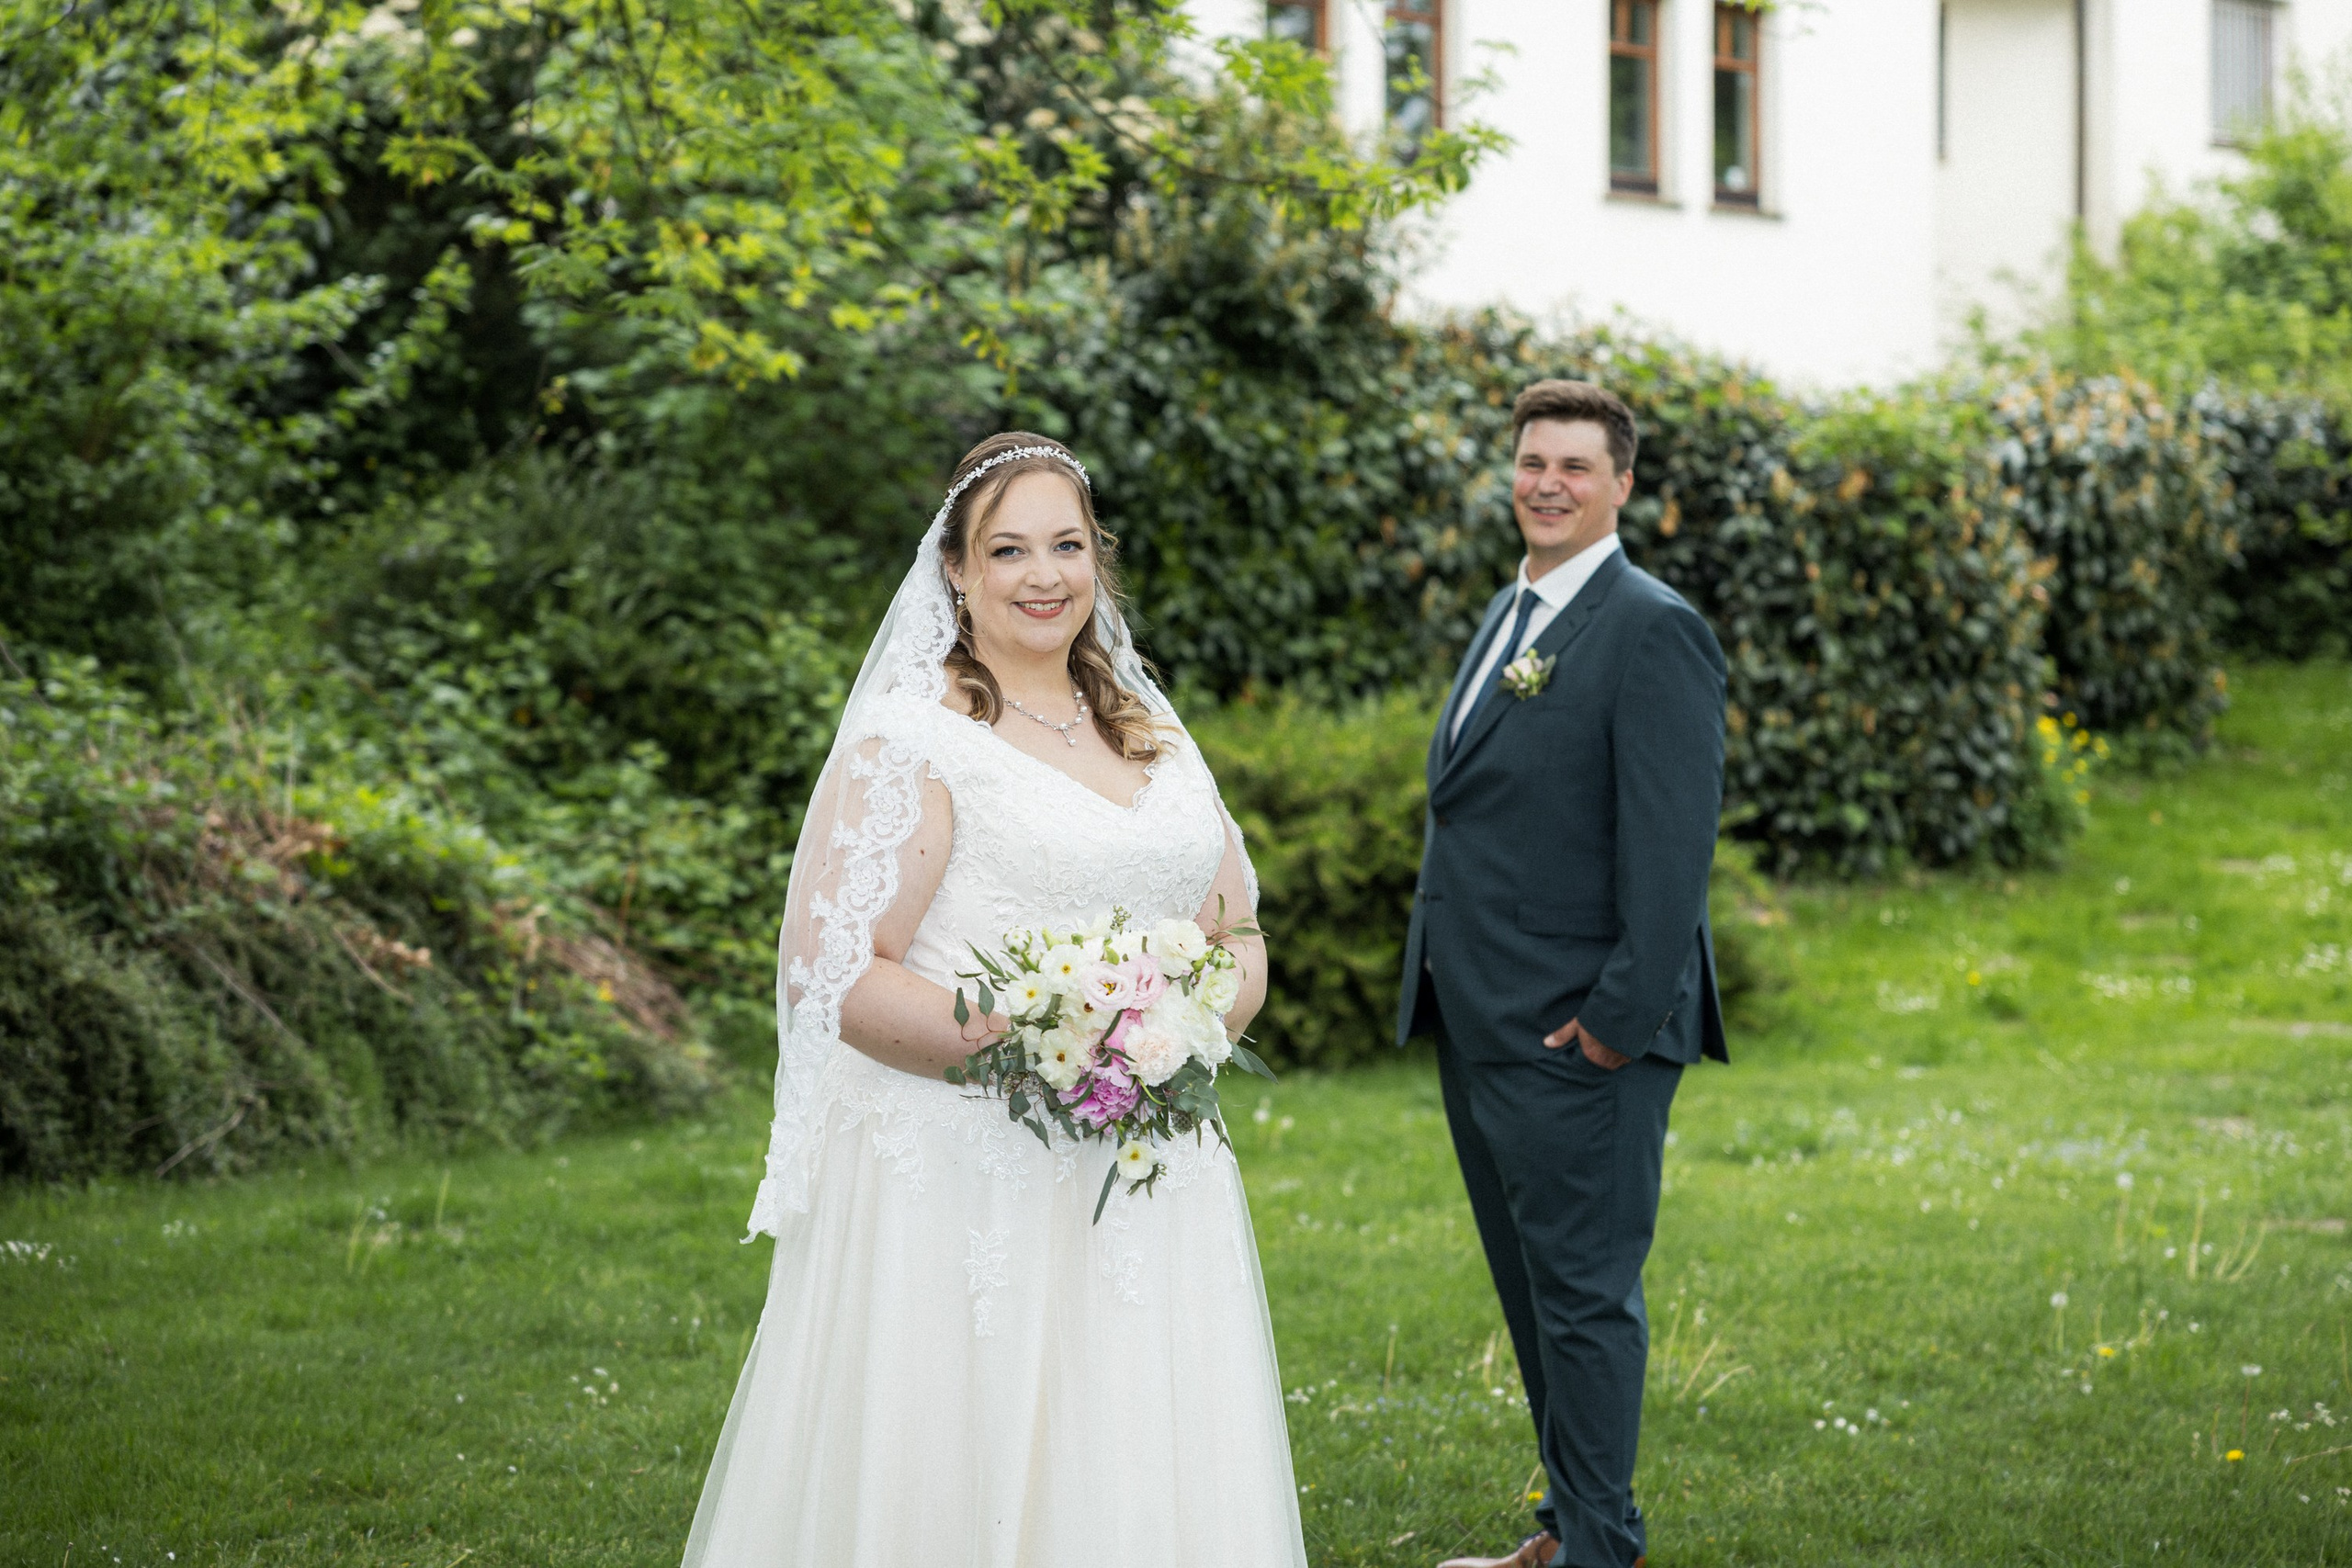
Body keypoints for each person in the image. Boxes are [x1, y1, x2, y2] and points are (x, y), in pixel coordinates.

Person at [682, 434, 1307, 1566]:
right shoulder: (914, 742)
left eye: (1066, 545)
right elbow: (835, 972)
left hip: (1146, 1165)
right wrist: (1041, 1052)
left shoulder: (1154, 734)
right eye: (1007, 548)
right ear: (957, 572)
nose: (1042, 574)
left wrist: (1181, 1033)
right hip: (967, 1175)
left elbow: (1235, 925)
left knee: (1135, 1444)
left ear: (1096, 563)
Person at [1397, 381, 1728, 1568]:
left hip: (1577, 1038)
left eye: (1576, 466)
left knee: (1583, 1300)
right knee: (1536, 1295)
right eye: (1533, 459)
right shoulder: (1514, 608)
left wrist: (1611, 1027)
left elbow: (1672, 850)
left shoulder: (1652, 626)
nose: (1547, 481)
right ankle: (1576, 1531)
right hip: (1480, 1013)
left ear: (1623, 484)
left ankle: (1603, 1549)